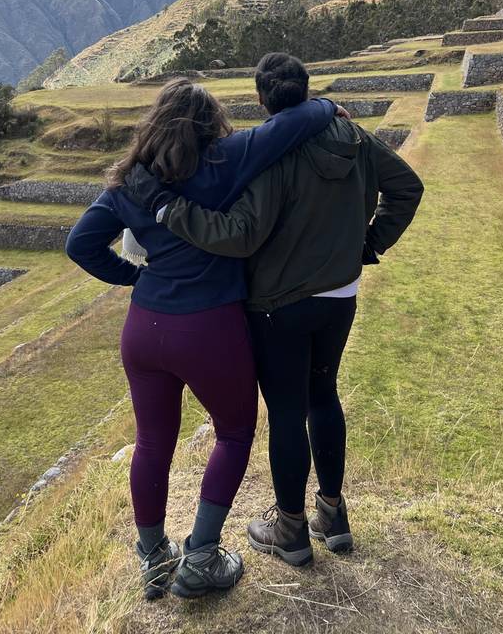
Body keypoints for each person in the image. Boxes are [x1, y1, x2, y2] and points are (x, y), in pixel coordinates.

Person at [127, 54, 424, 567]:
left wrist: (171, 211)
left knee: (287, 411)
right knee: (323, 396)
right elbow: (407, 187)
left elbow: (240, 236)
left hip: (278, 307)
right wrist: (367, 243)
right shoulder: (355, 139)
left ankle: (290, 530)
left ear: (262, 100)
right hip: (340, 295)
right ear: (305, 91)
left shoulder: (271, 158)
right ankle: (332, 513)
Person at [65, 77, 339, 599]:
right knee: (234, 433)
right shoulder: (225, 160)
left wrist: (134, 277)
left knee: (151, 442)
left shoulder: (127, 182)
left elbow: (80, 244)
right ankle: (202, 557)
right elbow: (297, 119)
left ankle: (151, 558)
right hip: (210, 326)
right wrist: (327, 104)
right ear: (211, 123)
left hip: (143, 329)